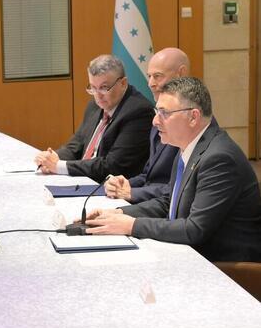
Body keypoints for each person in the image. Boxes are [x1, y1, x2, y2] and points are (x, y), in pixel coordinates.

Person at [85, 77, 261, 262]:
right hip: (193, 254)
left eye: (164, 113)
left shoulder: (219, 159)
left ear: (193, 117)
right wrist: (119, 214)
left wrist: (131, 225)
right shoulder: (188, 147)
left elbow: (194, 229)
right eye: (157, 111)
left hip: (226, 266)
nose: (155, 121)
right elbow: (169, 202)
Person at [34, 54, 154, 182]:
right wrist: (51, 158)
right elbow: (76, 145)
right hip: (84, 179)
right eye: (93, 87)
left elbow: (112, 166)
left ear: (123, 83)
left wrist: (59, 166)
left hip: (110, 187)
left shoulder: (138, 112)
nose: (97, 95)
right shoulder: (95, 106)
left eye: (104, 88)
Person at [104, 48, 189, 203]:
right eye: (149, 76)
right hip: (152, 201)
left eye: (157, 76)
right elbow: (149, 175)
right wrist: (123, 184)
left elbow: (178, 187)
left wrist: (132, 193)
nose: (150, 84)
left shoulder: (188, 122)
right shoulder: (158, 119)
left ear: (181, 74)